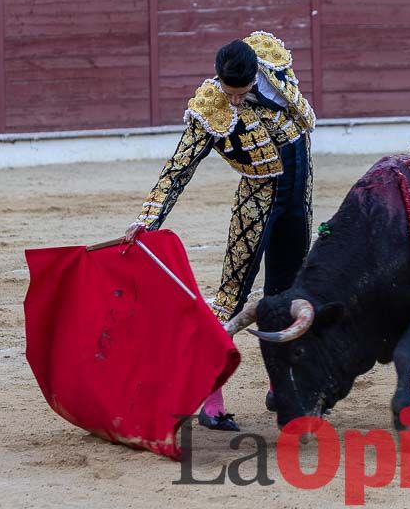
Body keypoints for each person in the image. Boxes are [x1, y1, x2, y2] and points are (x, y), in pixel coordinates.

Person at [123, 31, 317, 431]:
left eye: (240, 93)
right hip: (258, 198)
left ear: (255, 75)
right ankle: (211, 399)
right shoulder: (210, 107)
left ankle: (279, 384)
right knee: (232, 295)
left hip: (299, 191)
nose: (233, 101)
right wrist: (147, 220)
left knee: (289, 289)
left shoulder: (273, 60)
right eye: (228, 93)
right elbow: (178, 168)